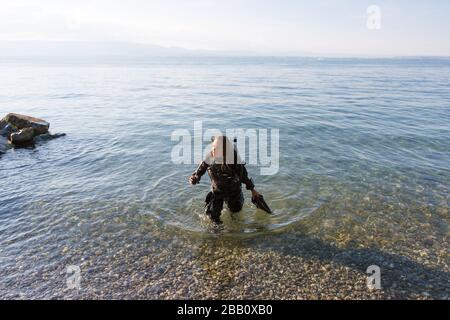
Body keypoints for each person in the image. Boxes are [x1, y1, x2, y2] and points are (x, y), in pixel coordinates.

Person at [189, 136, 261, 224]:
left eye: (217, 148)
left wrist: (253, 190)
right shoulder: (210, 156)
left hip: (234, 191)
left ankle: (234, 232)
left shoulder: (234, 160)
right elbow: (200, 169)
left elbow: (244, 176)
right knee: (212, 215)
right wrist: (195, 178)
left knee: (235, 213)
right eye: (213, 147)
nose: (213, 151)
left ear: (225, 150)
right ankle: (218, 234)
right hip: (217, 191)